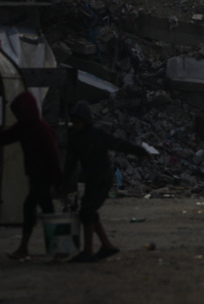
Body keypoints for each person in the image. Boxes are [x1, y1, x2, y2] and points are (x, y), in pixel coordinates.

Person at [61, 101, 149, 262]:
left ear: (85, 121)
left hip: (102, 178)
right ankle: (106, 246)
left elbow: (119, 144)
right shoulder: (74, 138)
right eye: (74, 122)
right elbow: (70, 163)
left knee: (87, 211)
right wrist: (65, 183)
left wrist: (141, 151)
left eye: (78, 122)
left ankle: (88, 251)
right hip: (92, 178)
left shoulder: (96, 134)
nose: (76, 125)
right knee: (89, 211)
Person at [0, 92, 63, 260]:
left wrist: (58, 180)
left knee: (30, 207)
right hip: (36, 176)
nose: (18, 116)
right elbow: (4, 138)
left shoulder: (41, 129)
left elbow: (52, 156)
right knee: (47, 210)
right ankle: (57, 248)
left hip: (43, 176)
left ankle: (27, 247)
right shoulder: (25, 127)